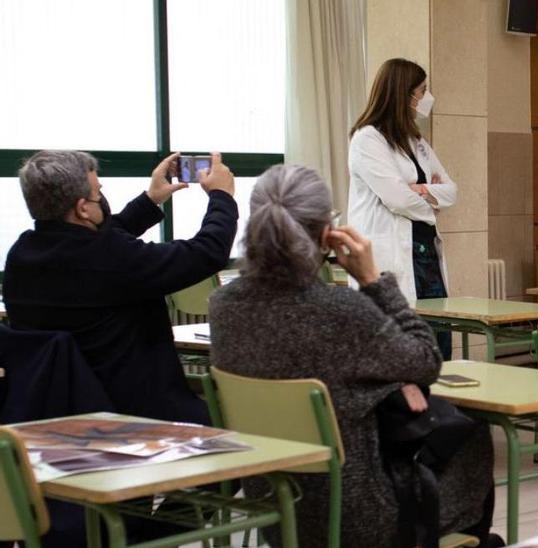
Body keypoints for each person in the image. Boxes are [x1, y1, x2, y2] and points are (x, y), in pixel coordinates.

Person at [208, 165, 497, 548]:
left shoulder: (224, 305)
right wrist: (373, 280)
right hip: (361, 518)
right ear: (328, 233)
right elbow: (426, 359)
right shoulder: (341, 310)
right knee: (472, 439)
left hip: (277, 512)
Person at [3, 150, 236, 425]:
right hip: (139, 421)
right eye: (97, 193)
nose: (102, 199)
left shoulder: (21, 256)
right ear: (82, 208)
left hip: (59, 416)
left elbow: (101, 241)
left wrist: (151, 200)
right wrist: (222, 197)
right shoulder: (109, 258)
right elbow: (205, 253)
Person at [349, 57, 458, 358]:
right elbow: (396, 198)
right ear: (405, 94)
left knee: (438, 346)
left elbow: (451, 190)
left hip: (426, 257)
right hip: (393, 257)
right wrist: (430, 204)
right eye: (423, 90)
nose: (426, 98)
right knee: (404, 351)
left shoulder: (415, 140)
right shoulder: (367, 139)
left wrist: (422, 190)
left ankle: (440, 404)